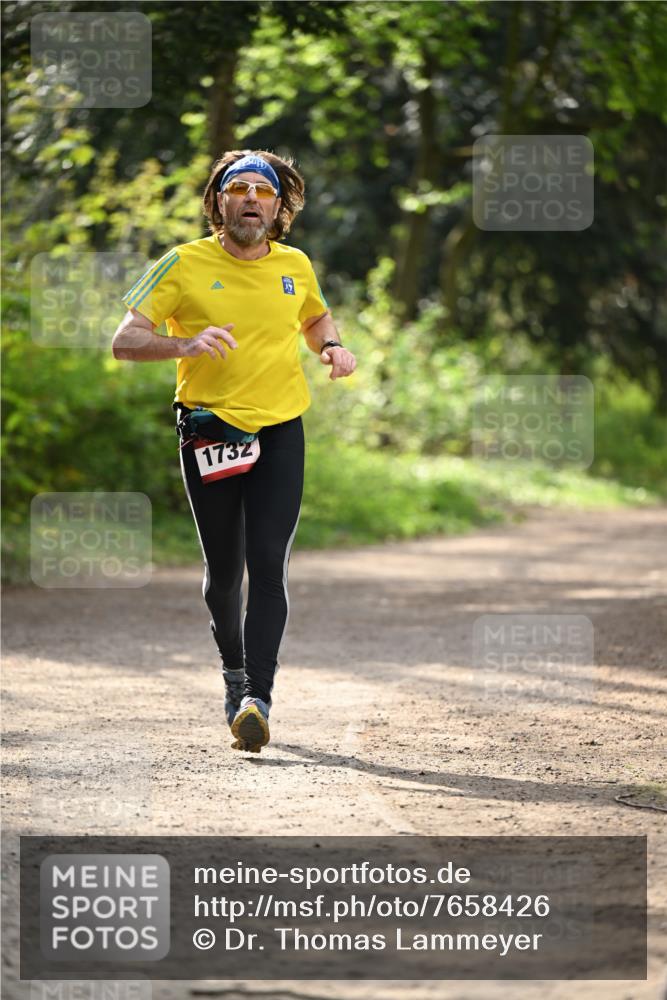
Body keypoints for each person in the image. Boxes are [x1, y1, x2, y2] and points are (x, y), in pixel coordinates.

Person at [112, 150, 356, 753]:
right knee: (225, 573)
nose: (251, 198)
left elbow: (315, 316)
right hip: (208, 429)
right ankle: (234, 673)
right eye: (238, 188)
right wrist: (187, 342)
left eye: (263, 191)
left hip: (279, 429)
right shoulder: (183, 263)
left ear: (279, 207)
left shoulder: (295, 264)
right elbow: (125, 341)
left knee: (268, 564)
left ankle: (258, 699)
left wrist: (332, 348)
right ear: (219, 200)